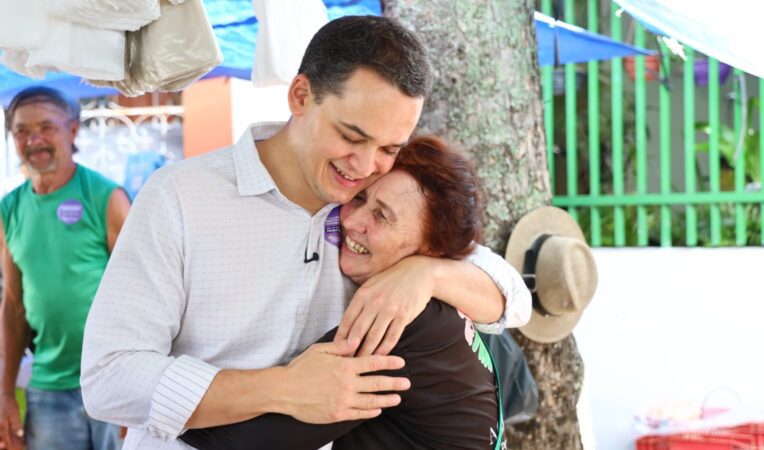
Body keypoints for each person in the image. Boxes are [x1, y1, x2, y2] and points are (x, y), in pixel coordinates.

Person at [81, 16, 530, 449]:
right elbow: (108, 380)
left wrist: (426, 275)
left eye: (389, 148)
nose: (366, 165)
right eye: (351, 137)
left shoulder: (377, 196)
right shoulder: (179, 196)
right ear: (300, 95)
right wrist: (279, 388)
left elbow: (514, 300)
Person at [181, 136, 507, 450]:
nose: (353, 222)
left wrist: (163, 392)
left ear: (430, 249)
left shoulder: (395, 320)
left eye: (382, 216)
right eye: (361, 198)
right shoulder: (439, 305)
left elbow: (248, 441)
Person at [0, 86, 131, 450]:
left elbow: (145, 296)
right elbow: (13, 305)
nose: (34, 140)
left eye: (46, 127)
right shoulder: (8, 210)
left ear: (72, 131)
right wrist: (6, 393)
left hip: (111, 381)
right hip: (49, 388)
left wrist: (135, 383)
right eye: (22, 130)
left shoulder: (106, 198)